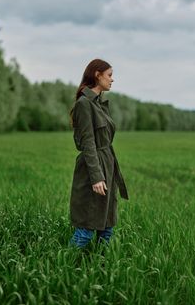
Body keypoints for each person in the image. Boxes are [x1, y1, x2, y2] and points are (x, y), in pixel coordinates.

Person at [69, 58, 129, 249]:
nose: (112, 80)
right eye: (109, 75)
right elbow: (87, 143)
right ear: (97, 75)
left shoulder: (99, 104)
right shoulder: (84, 104)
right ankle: (62, 269)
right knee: (86, 231)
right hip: (92, 170)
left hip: (107, 166)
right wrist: (96, 177)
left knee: (107, 228)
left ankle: (101, 270)